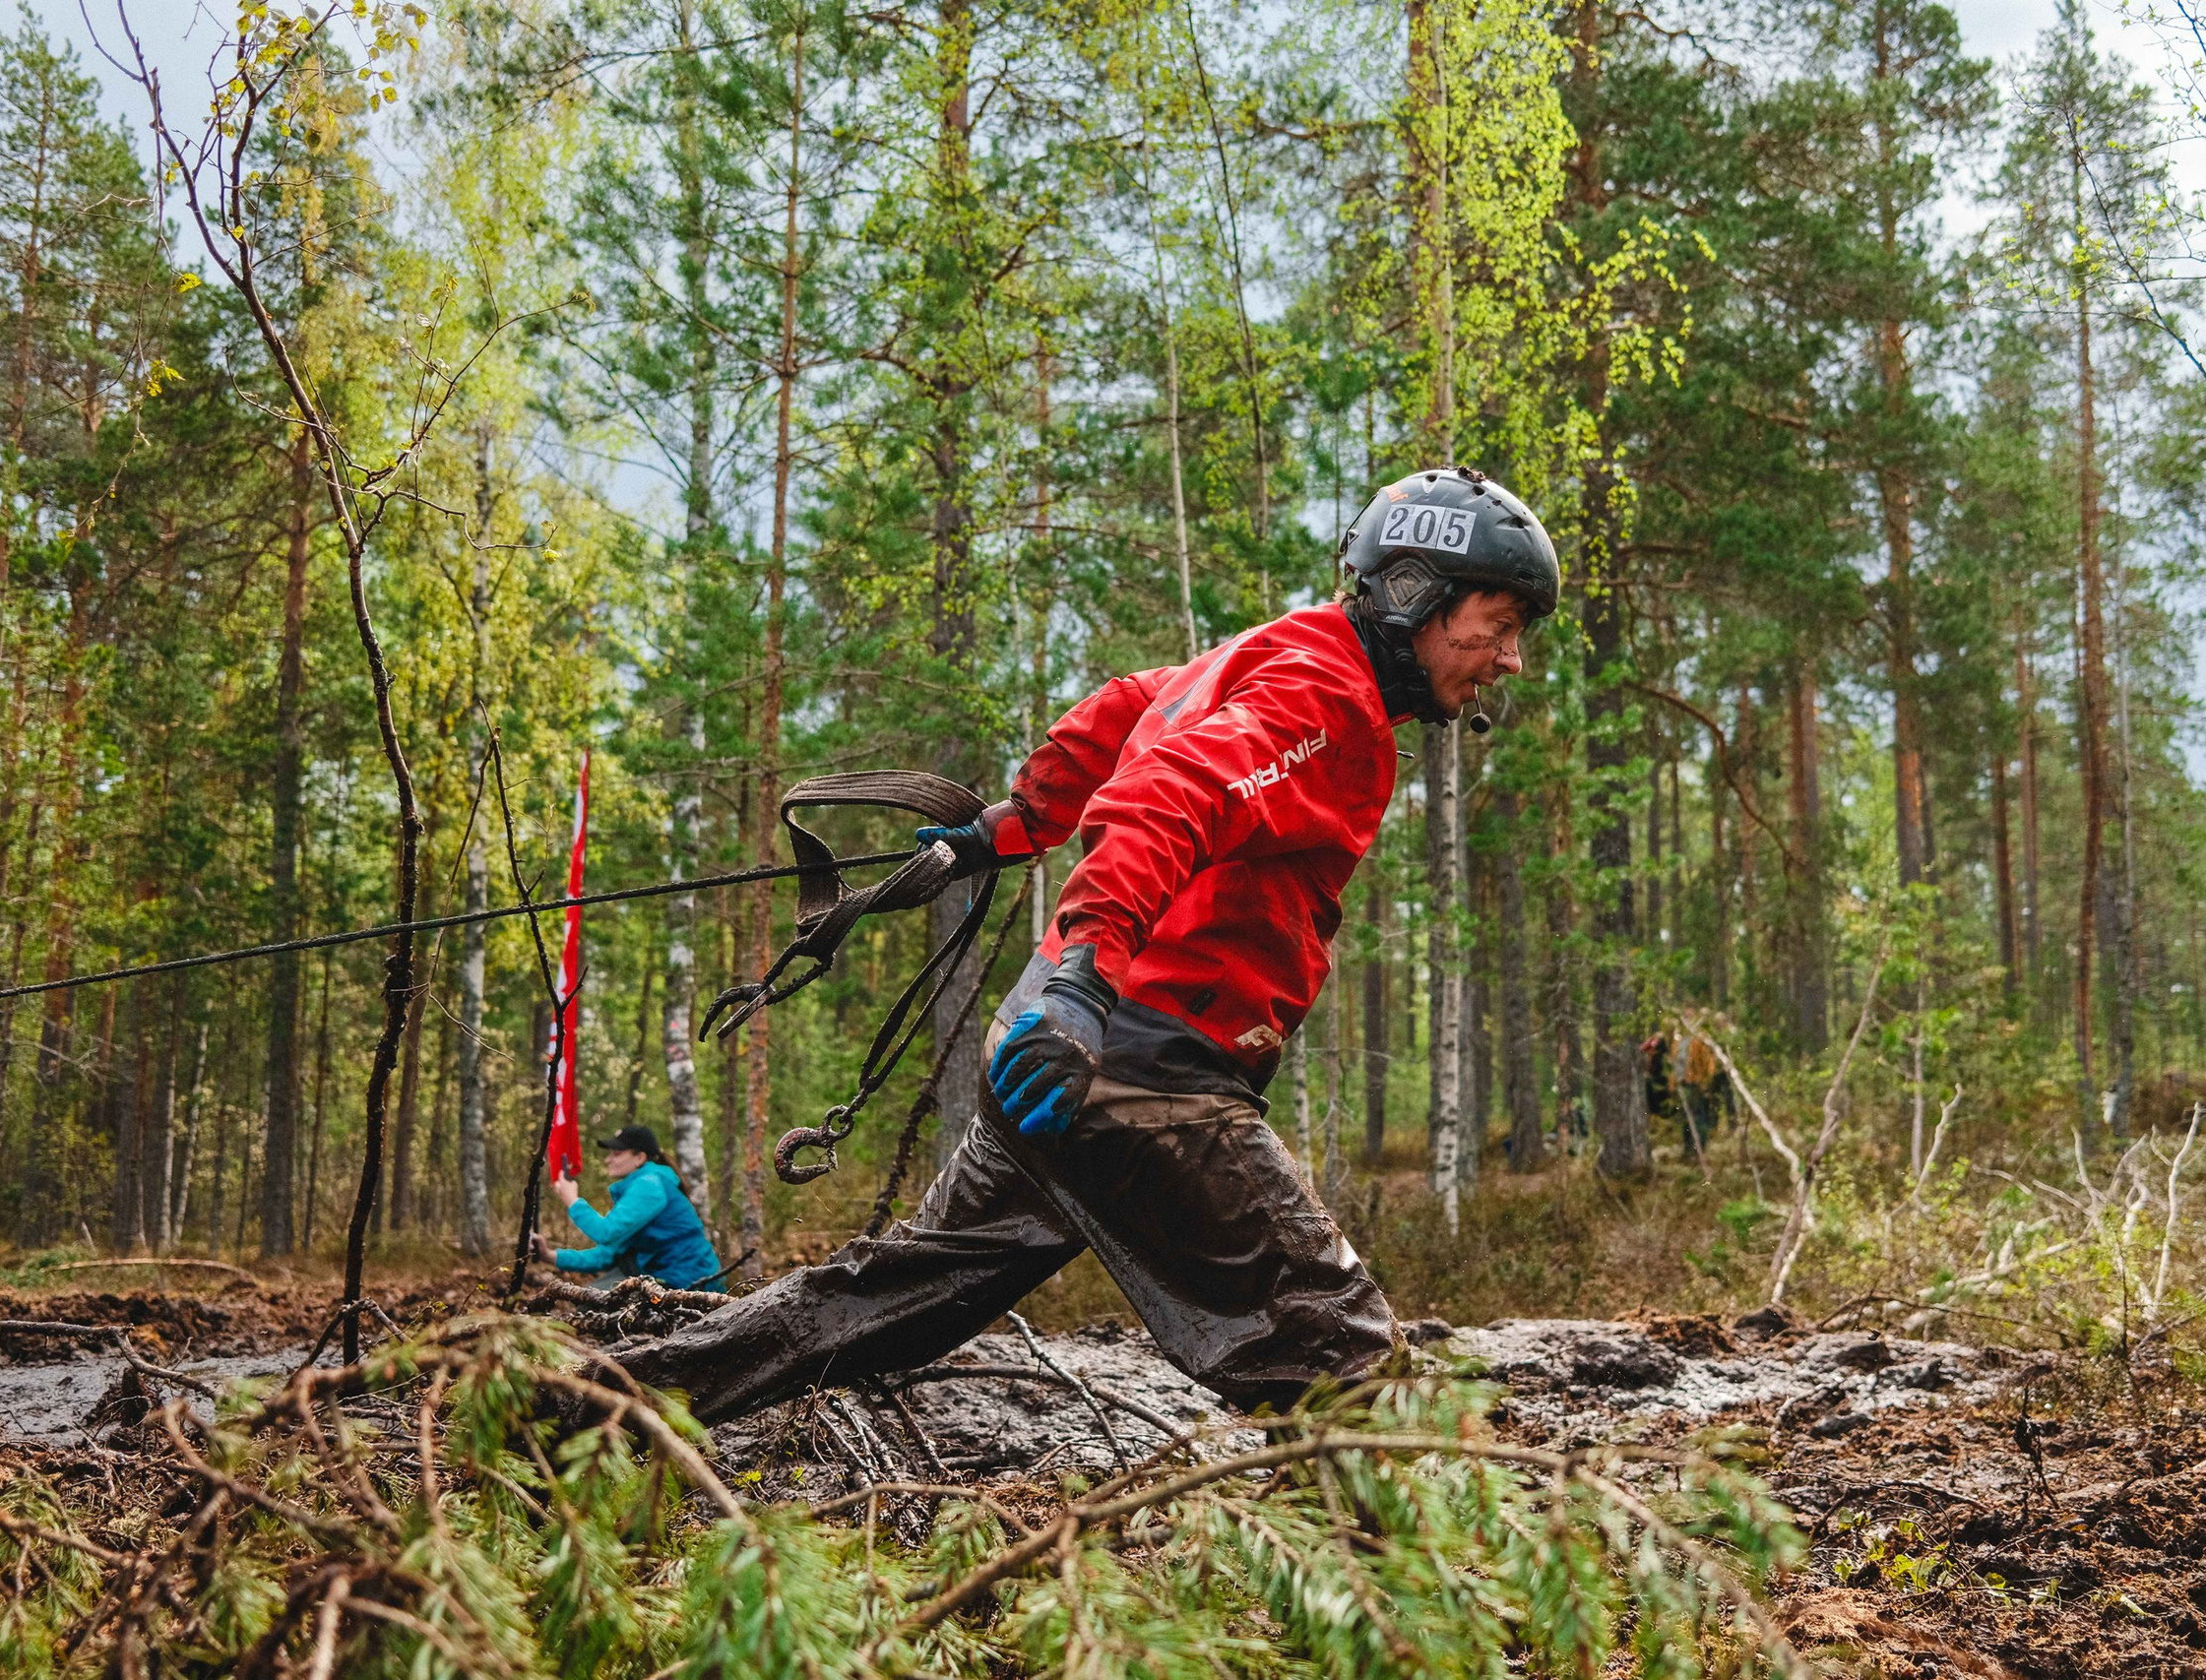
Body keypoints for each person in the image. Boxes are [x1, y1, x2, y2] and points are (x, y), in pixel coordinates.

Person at [612, 467, 1561, 1423]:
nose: (1511, 658)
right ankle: (1396, 1566)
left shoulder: (1279, 654)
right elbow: (1169, 792)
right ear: (1416, 593)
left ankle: (586, 1408)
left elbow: (1133, 710)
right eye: (1503, 622)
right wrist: (1087, 976)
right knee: (1339, 1356)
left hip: (1056, 1053)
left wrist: (1012, 823)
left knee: (877, 1307)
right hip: (1130, 1066)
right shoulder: (1324, 702)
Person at [540, 1124, 725, 1291]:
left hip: (688, 1283)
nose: (608, 1160)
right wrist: (549, 1255)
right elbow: (606, 1255)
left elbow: (605, 1233)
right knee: (587, 1299)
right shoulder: (643, 1184)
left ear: (639, 1158)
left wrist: (573, 1200)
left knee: (591, 1303)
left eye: (617, 1153)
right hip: (667, 1277)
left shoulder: (649, 1184)